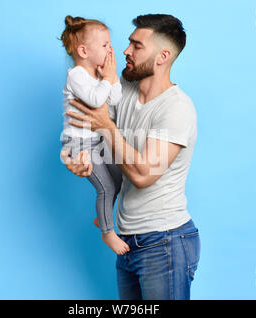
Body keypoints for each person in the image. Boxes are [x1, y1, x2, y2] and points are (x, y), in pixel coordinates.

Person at [61, 14, 201, 300]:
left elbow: (143, 175)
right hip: (128, 240)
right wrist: (74, 159)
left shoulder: (177, 109)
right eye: (128, 43)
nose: (125, 51)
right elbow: (91, 134)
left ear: (163, 56)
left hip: (165, 242)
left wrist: (106, 126)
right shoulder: (120, 91)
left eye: (136, 46)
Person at [59, 15, 130, 255]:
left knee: (119, 179)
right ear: (83, 51)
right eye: (105, 45)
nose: (111, 50)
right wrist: (108, 79)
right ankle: (107, 233)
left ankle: (102, 218)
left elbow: (115, 99)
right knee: (106, 188)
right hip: (79, 144)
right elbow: (96, 99)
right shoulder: (76, 75)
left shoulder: (100, 76)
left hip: (97, 139)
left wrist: (111, 78)